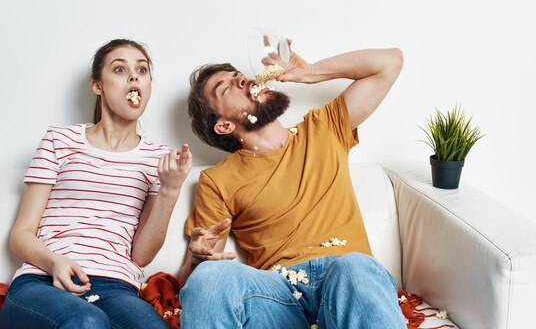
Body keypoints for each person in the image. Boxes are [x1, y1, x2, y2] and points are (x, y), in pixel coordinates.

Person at [180, 42, 405, 328]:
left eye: (239, 76)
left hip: (345, 283)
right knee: (208, 277)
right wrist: (197, 261)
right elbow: (194, 282)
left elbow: (390, 62)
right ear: (224, 126)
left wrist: (310, 72)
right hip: (278, 296)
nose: (243, 80)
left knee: (356, 266)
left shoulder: (323, 128)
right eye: (226, 89)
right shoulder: (217, 181)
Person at [0, 39, 192, 329]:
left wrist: (170, 189)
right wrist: (54, 262)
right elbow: (21, 235)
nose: (133, 77)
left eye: (142, 70)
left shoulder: (160, 159)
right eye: (119, 69)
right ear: (97, 86)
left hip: (116, 287)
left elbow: (141, 256)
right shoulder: (59, 140)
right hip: (43, 280)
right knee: (86, 321)